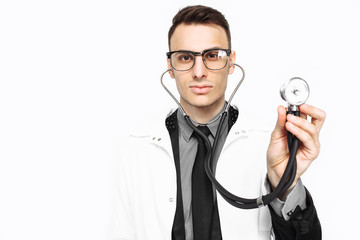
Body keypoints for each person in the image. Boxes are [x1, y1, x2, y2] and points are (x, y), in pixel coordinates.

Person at [109, 5, 325, 240]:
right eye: (185, 57)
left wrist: (285, 184)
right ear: (170, 66)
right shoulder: (134, 150)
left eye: (212, 55)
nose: (199, 72)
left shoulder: (269, 143)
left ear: (231, 62)